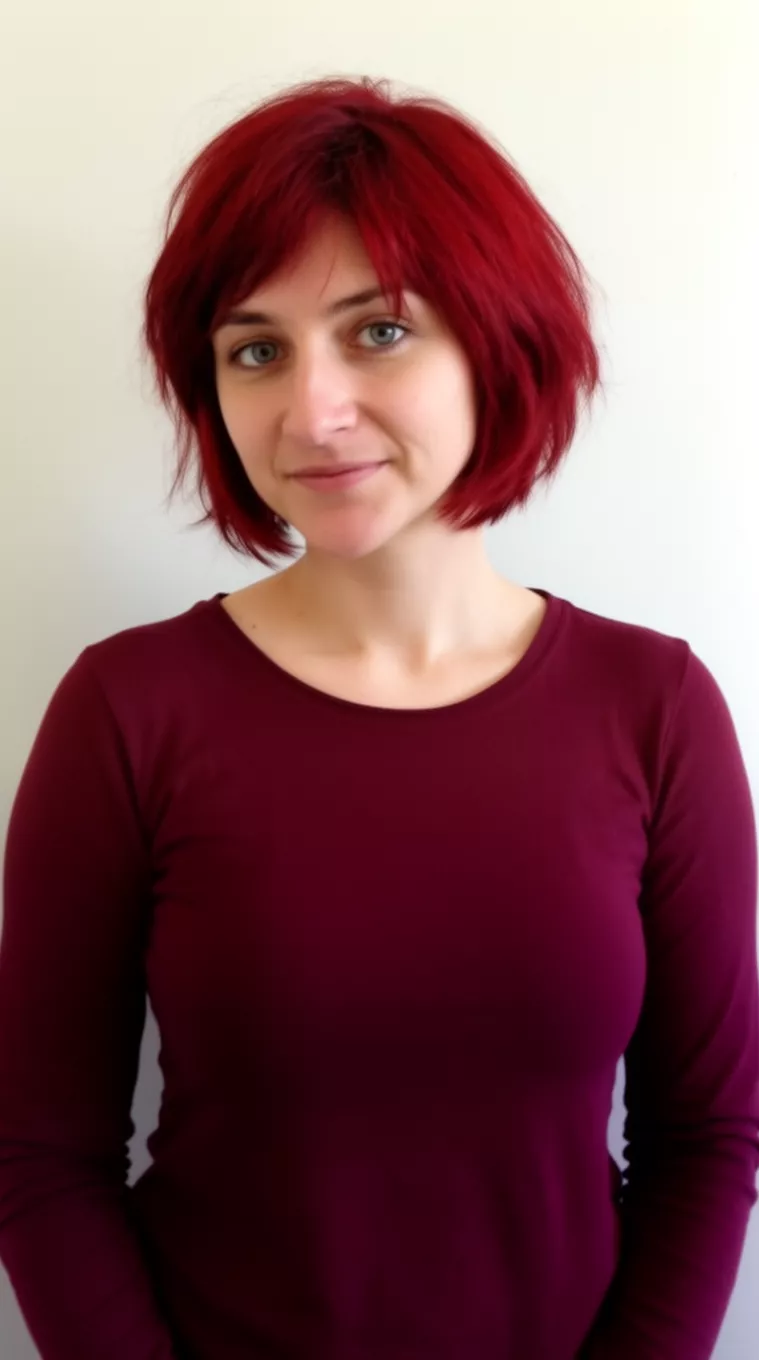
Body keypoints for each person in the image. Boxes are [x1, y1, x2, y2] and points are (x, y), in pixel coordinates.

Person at [0, 75, 757, 1360]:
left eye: (378, 331)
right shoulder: (128, 712)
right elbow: (39, 1152)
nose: (312, 411)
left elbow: (709, 1136)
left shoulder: (656, 708)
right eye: (256, 349)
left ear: (498, 338)